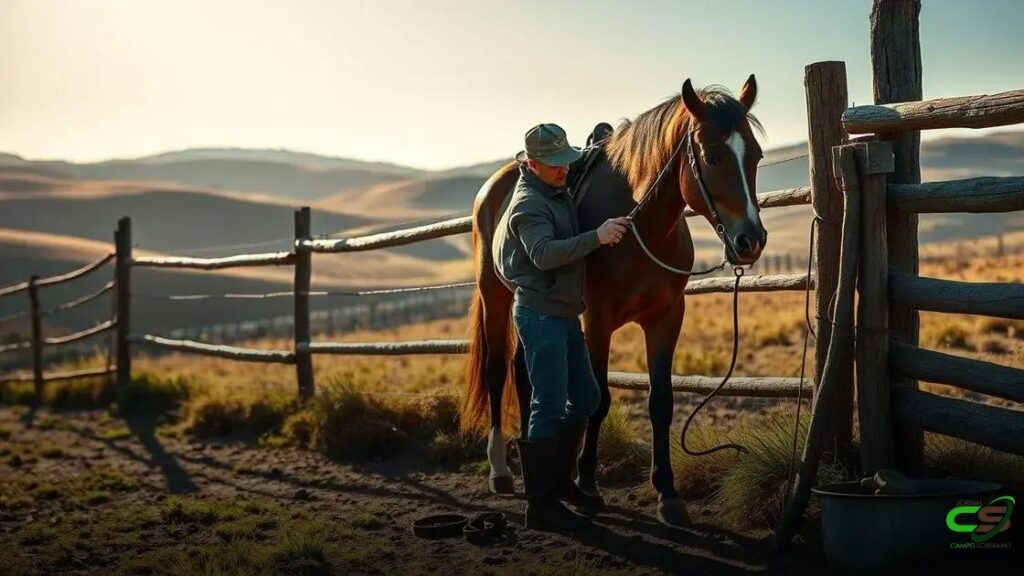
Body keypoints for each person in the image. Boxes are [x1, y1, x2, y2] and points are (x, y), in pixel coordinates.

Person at [493, 123, 628, 531]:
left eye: (565, 161)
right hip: (541, 317)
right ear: (532, 164)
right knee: (548, 404)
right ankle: (541, 504)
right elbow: (544, 254)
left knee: (586, 397)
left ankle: (558, 480)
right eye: (554, 164)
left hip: (564, 314)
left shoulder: (554, 185)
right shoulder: (528, 205)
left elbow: (580, 161)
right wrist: (597, 237)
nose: (563, 169)